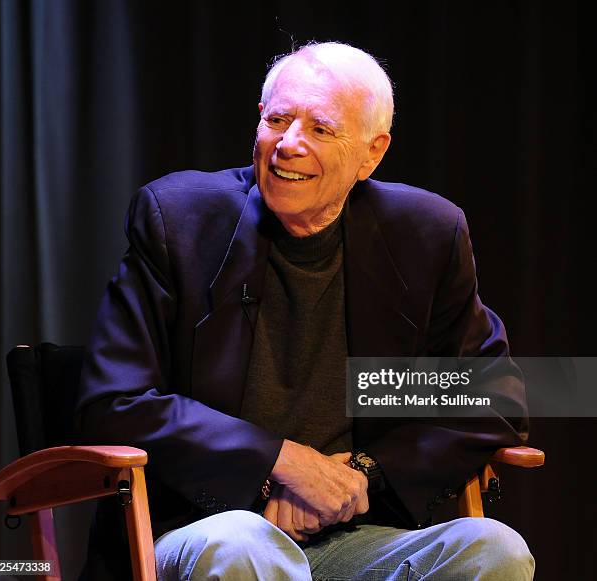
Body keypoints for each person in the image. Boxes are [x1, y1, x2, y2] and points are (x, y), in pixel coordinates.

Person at [76, 41, 535, 580]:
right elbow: (113, 404)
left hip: (355, 538)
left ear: (372, 153)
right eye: (277, 119)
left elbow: (494, 394)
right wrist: (279, 461)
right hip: (204, 527)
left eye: (320, 129)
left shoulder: (422, 235)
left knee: (491, 547)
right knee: (241, 542)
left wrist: (363, 476)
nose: (288, 145)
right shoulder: (180, 222)